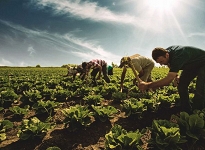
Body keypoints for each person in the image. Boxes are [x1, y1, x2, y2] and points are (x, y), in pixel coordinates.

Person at [138, 45, 205, 113]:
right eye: (159, 63)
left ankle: (197, 112)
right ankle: (186, 109)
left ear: (166, 55)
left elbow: (168, 80)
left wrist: (147, 85)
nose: (161, 64)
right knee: (181, 85)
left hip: (203, 63)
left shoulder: (179, 55)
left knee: (200, 88)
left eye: (161, 61)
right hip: (192, 65)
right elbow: (169, 64)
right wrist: (176, 76)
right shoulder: (166, 53)